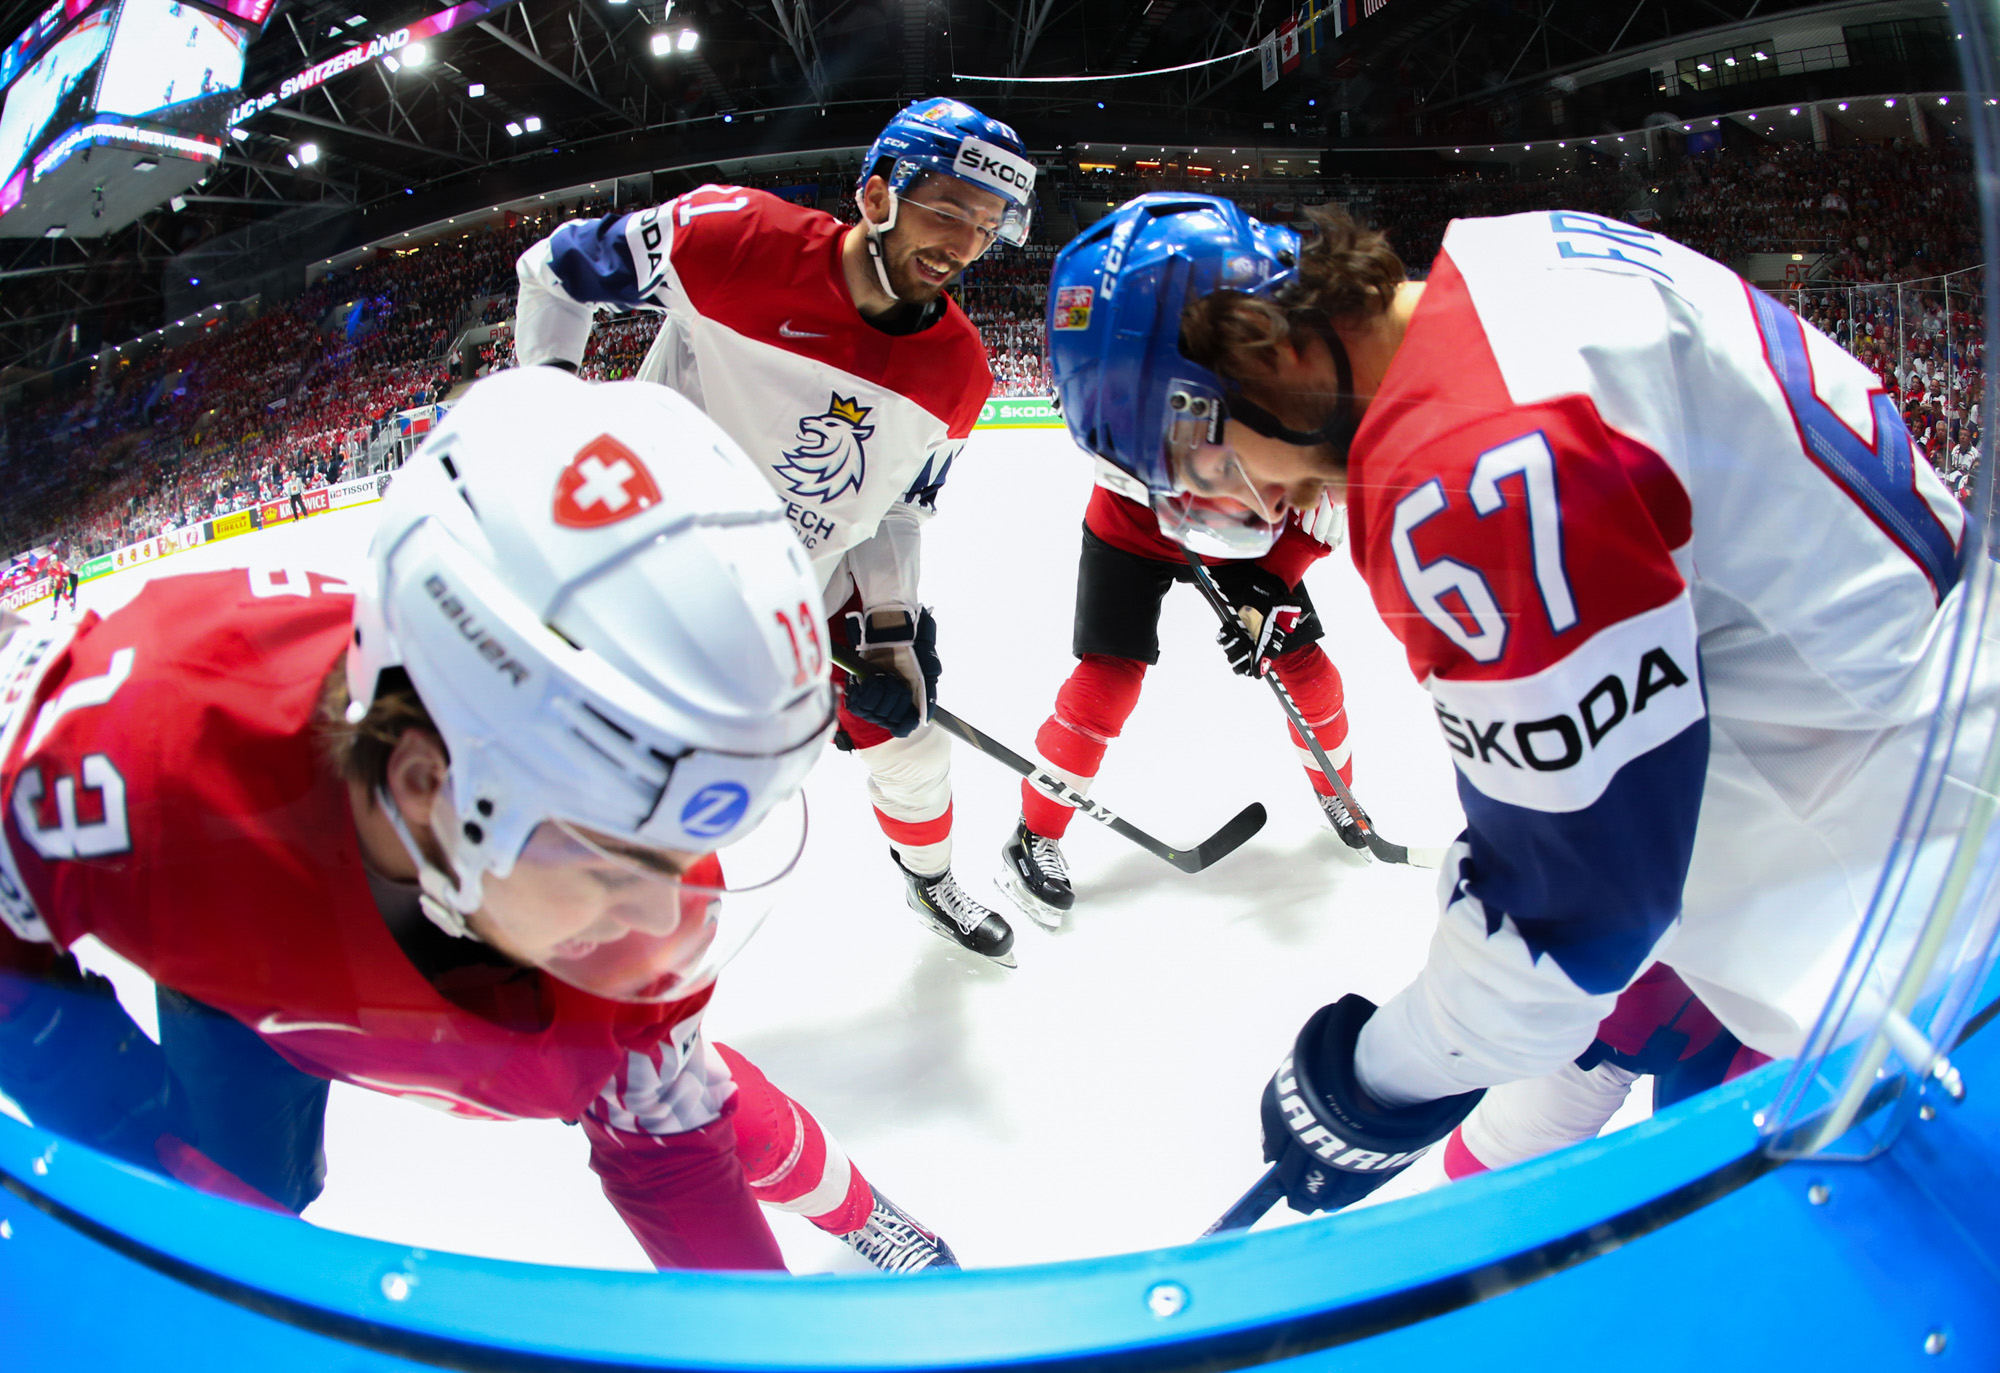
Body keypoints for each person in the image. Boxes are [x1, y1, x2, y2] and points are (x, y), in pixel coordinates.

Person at [1046, 193, 1990, 1211]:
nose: (1247, 497)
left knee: (1743, 1240)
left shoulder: (1463, 476)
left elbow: (1566, 916)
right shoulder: (1514, 254)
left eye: (1200, 456)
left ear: (1259, 349)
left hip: (1880, 916)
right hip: (1844, 772)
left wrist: (1365, 1080)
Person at [0, 368, 957, 1272]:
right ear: (427, 783)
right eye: (621, 849)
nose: (670, 913)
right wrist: (135, 1155)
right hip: (236, 943)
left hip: (260, 927)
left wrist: (138, 1154)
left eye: (690, 838)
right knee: (236, 1202)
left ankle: (859, 1210)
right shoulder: (124, 755)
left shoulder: (601, 825)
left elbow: (671, 1150)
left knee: (658, 1079)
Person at [513, 99, 1037, 967]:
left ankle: (929, 874)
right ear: (877, 196)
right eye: (947, 209)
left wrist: (894, 632)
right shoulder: (729, 237)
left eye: (987, 226)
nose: (964, 244)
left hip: (806, 575)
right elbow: (551, 270)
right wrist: (545, 405)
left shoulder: (960, 372)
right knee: (640, 770)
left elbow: (899, 506)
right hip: (652, 567)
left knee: (910, 737)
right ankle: (603, 945)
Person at [997, 464, 1362, 924]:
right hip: (1131, 530)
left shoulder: (1305, 407)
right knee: (1105, 689)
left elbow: (1326, 500)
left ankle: (1338, 793)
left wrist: (1272, 586)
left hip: (1244, 540)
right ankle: (1034, 835)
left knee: (1309, 678)